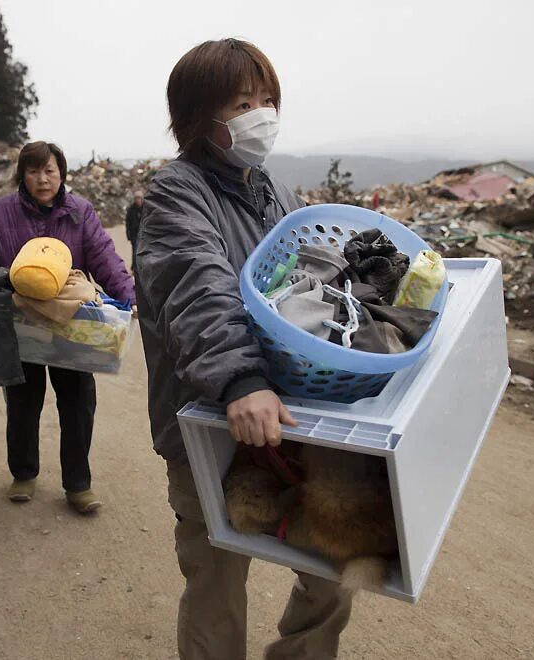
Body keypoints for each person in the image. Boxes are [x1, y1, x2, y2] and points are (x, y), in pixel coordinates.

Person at [135, 38, 354, 659]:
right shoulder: (177, 193)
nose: (261, 115)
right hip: (214, 417)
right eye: (241, 103)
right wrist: (240, 379)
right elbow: (194, 282)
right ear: (199, 116)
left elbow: (309, 283)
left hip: (294, 419)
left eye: (267, 100)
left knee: (333, 563)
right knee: (216, 578)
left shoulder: (276, 194)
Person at [0, 141, 135, 513]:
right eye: (33, 171)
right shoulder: (0, 214)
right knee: (21, 403)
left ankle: (78, 485)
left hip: (71, 325)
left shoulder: (80, 212)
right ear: (22, 175)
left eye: (49, 170)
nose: (42, 179)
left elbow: (104, 258)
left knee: (78, 403)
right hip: (18, 322)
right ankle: (24, 473)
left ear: (62, 173)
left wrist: (128, 296)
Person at [124, 189, 144, 271]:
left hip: (143, 234)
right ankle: (135, 268)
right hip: (134, 234)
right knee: (135, 251)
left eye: (139, 198)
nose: (138, 200)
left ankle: (141, 267)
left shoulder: (145, 209)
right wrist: (128, 234)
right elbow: (128, 223)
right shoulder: (131, 210)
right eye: (136, 198)